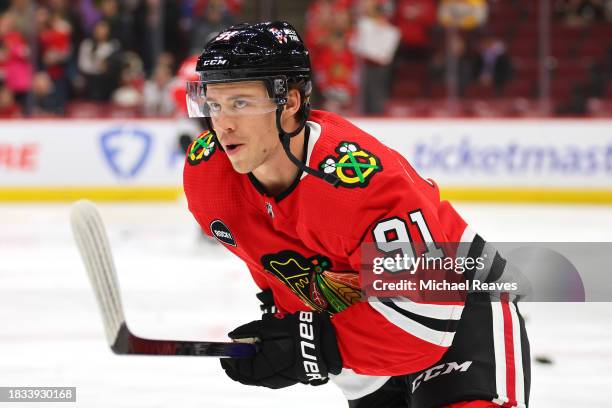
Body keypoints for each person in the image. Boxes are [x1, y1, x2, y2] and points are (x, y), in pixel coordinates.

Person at [182, 21, 530, 408]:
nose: (223, 124)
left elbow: (425, 317)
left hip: (456, 303)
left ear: (291, 102)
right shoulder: (207, 177)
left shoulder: (361, 185)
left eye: (241, 103)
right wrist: (283, 324)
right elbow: (266, 260)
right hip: (360, 324)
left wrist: (307, 346)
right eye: (213, 104)